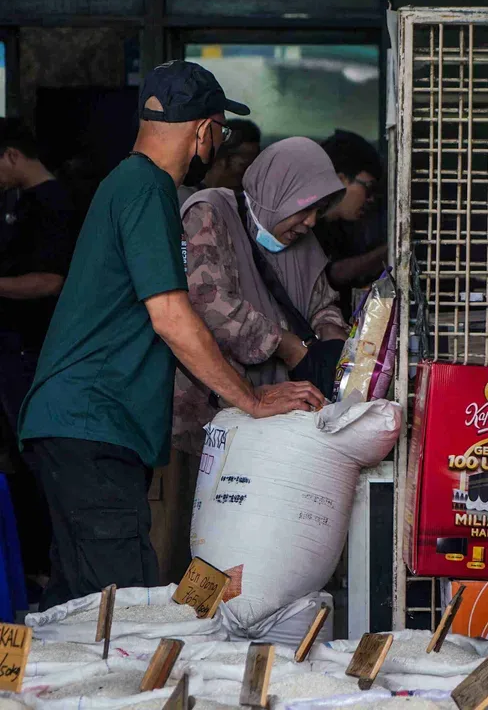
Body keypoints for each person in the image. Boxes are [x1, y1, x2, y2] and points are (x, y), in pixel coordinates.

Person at [19, 61, 324, 607]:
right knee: (122, 608)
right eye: (220, 132)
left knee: (77, 606)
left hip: (84, 427)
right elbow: (172, 316)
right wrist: (251, 399)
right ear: (206, 130)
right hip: (91, 425)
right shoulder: (148, 188)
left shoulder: (130, 183)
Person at [173, 136, 349, 455]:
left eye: (318, 212)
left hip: (283, 417)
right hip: (212, 417)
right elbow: (208, 303)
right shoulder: (209, 212)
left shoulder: (305, 241)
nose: (310, 223)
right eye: (305, 208)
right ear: (278, 191)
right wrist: (288, 346)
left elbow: (323, 304)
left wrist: (334, 345)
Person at [0, 119, 70, 614]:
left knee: (36, 462)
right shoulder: (20, 204)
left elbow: (50, 281)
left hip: (34, 351)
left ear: (10, 155)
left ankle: (48, 571)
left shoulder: (55, 205)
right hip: (14, 350)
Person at [315, 130, 388, 317]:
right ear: (340, 180)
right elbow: (334, 274)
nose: (370, 199)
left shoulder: (342, 229)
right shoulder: (306, 227)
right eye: (368, 188)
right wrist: (392, 250)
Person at [176, 118, 261, 204]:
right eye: (243, 166)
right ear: (220, 161)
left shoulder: (245, 201)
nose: (248, 176)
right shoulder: (186, 198)